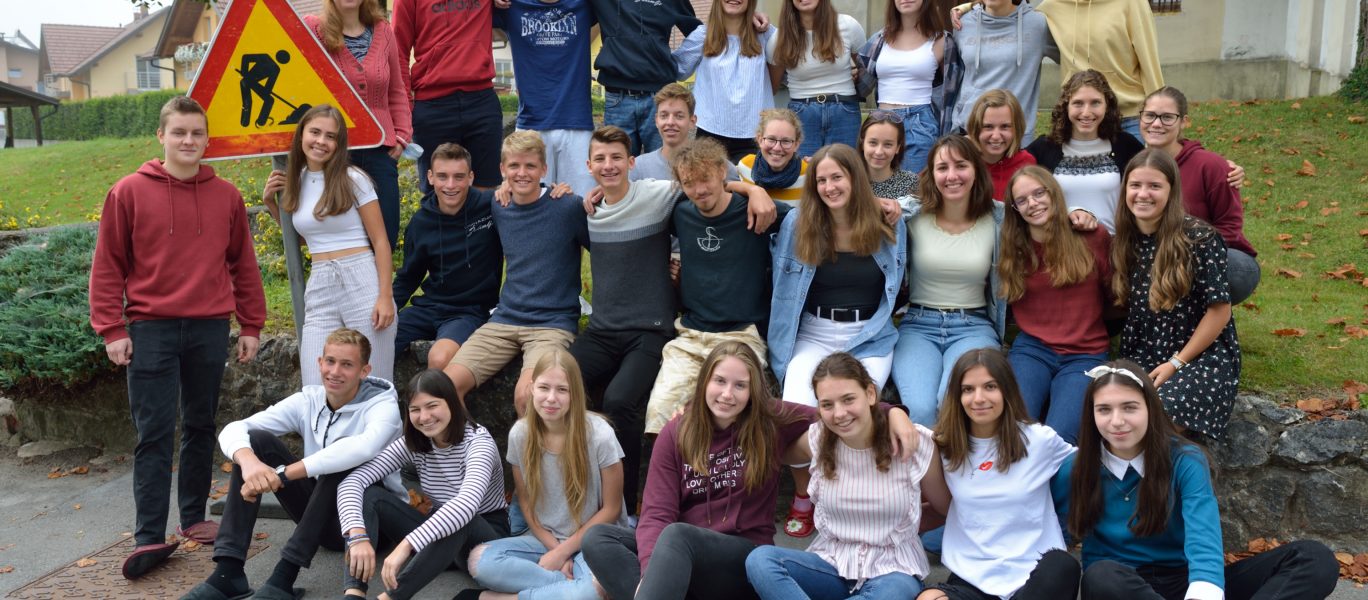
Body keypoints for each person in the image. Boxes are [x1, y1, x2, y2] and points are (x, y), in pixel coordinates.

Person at [584, 342, 920, 600]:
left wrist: (892, 412)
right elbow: (657, 513)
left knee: (676, 536)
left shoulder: (770, 420)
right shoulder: (677, 432)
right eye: (719, 381)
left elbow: (836, 413)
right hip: (682, 553)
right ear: (704, 382)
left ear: (752, 390)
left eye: (740, 385)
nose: (727, 394)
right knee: (599, 538)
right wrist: (650, 571)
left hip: (740, 557)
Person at [89, 95, 266, 579]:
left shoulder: (226, 196)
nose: (188, 141)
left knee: (201, 424)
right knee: (153, 432)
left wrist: (251, 323)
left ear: (208, 140)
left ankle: (193, 517)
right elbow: (108, 266)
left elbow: (243, 264)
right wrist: (112, 328)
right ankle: (149, 535)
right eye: (179, 132)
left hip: (209, 326)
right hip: (151, 328)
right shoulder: (128, 192)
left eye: (197, 133)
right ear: (161, 137)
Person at [1056, 360, 1339, 600]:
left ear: (1150, 409)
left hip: (1183, 580)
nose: (1116, 421)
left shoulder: (1184, 459)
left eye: (1129, 407)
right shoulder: (1075, 467)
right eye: (1104, 409)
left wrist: (1204, 588)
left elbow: (1203, 529)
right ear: (1091, 414)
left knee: (1314, 559)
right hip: (1120, 587)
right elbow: (1043, 525)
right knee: (1102, 576)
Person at [182, 328, 403, 600]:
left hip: (372, 525)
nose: (335, 371)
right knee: (255, 441)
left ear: (364, 370)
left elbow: (362, 448)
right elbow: (235, 428)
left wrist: (283, 475)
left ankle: (283, 577)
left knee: (343, 460)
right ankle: (228, 573)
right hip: (323, 521)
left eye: (347, 364)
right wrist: (249, 462)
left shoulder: (383, 406)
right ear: (319, 363)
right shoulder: (308, 400)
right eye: (330, 361)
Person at [768, 143, 906, 537]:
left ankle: (850, 496)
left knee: (853, 410)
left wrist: (895, 206)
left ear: (855, 178)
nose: (830, 187)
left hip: (869, 334)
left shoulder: (887, 221)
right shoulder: (800, 222)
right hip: (813, 331)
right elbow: (782, 285)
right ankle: (805, 494)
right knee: (796, 412)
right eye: (822, 180)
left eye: (837, 177)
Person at [746, 353, 946, 599]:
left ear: (870, 394)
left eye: (848, 399)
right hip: (832, 564)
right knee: (761, 560)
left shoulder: (913, 440)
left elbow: (944, 508)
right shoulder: (818, 438)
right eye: (827, 405)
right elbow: (777, 448)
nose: (839, 413)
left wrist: (905, 526)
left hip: (894, 571)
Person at [568, 126, 679, 520]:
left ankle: (626, 507)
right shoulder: (588, 211)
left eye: (616, 157)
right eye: (600, 159)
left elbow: (708, 185)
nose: (609, 165)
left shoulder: (657, 195)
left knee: (618, 401)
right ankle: (570, 491)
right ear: (589, 166)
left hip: (649, 330)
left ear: (631, 162)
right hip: (602, 330)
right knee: (557, 384)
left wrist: (751, 191)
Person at [643, 138, 786, 435]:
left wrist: (754, 190)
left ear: (722, 171)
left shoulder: (756, 210)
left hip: (741, 333)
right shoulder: (681, 212)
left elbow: (816, 215)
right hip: (692, 334)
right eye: (689, 183)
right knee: (659, 414)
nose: (699, 190)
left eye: (705, 179)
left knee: (729, 413)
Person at [443, 131, 589, 415]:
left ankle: (527, 448)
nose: (522, 173)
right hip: (506, 318)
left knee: (527, 396)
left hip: (552, 323)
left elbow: (601, 249)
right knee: (446, 387)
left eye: (530, 166)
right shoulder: (499, 205)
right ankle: (470, 444)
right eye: (514, 166)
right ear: (503, 169)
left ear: (544, 169)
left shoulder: (567, 205)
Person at [916, 348, 1080, 600]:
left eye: (990, 387)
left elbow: (1091, 466)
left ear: (1006, 390)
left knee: (1063, 566)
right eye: (968, 389)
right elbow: (888, 426)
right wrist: (895, 413)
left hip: (1032, 575)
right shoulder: (944, 446)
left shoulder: (1038, 440)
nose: (978, 398)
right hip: (972, 576)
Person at [463, 352, 629, 600]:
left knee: (590, 592)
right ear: (531, 388)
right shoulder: (520, 434)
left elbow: (612, 509)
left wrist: (564, 552)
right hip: (545, 539)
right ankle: (566, 589)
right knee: (479, 562)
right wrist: (556, 551)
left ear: (575, 393)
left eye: (562, 390)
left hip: (595, 541)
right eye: (544, 387)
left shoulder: (600, 435)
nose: (551, 398)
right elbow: (526, 502)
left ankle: (502, 598)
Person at [335, 369, 509, 600]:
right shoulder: (417, 442)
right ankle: (354, 594)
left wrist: (406, 545)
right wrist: (356, 535)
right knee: (372, 495)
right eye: (415, 409)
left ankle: (391, 598)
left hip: (485, 539)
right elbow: (353, 481)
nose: (424, 417)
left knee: (460, 518)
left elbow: (466, 505)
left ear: (452, 402)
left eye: (432, 406)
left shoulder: (478, 444)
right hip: (440, 536)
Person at [261, 104, 397, 385]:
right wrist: (271, 205)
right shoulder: (296, 181)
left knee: (375, 382)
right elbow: (304, 239)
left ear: (339, 143)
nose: (321, 141)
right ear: (302, 135)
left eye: (330, 136)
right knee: (314, 383)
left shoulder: (354, 179)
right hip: (321, 281)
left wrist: (385, 296)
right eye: (315, 132)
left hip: (362, 278)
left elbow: (381, 241)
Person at [1111, 149, 1240, 440]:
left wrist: (1176, 363)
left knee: (1155, 422)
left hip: (1200, 357)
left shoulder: (1200, 238)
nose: (1143, 194)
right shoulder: (1124, 240)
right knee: (1112, 417)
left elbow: (1220, 310)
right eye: (1135, 185)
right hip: (1143, 353)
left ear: (1171, 191)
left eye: (1154, 186)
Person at [890, 135, 1006, 427]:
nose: (952, 176)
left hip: (973, 326)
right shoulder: (911, 215)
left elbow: (1043, 212)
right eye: (942, 168)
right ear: (932, 174)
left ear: (976, 170)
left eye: (961, 166)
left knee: (953, 402)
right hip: (919, 325)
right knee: (920, 410)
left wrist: (1079, 213)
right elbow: (866, 211)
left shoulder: (998, 218)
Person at [999, 166, 1110, 444]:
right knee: (1013, 428)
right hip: (1033, 350)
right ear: (1014, 208)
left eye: (1039, 193)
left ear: (1054, 194)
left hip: (1085, 353)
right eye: (1022, 200)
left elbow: (1114, 293)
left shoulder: (1092, 236)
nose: (1033, 203)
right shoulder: (1012, 247)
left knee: (1060, 438)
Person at [304, 0, 412, 249]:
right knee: (341, 239)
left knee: (385, 237)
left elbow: (397, 90)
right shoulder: (314, 30)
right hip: (334, 154)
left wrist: (402, 136)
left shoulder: (383, 31)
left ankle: (383, 278)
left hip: (380, 153)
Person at [1139, 86, 1260, 304]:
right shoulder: (1137, 165)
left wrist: (1184, 253)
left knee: (1230, 270)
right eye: (1150, 115)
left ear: (1184, 122)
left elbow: (1230, 226)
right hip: (1154, 253)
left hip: (1214, 255)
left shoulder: (1210, 166)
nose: (1156, 124)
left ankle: (1212, 316)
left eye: (1167, 117)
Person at [391, 143, 502, 371]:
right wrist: (387, 309)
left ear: (471, 178)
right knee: (373, 345)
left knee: (440, 358)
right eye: (442, 176)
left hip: (469, 312)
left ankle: (431, 396)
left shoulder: (491, 206)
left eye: (458, 177)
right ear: (430, 177)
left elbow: (529, 195)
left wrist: (554, 189)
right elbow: (408, 277)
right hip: (428, 308)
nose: (450, 185)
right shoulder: (421, 222)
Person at [393, 0, 503, 191]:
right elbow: (397, 53)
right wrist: (405, 107)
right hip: (432, 104)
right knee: (438, 192)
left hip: (481, 101)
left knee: (485, 191)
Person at [494, 0, 597, 197]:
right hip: (531, 124)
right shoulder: (512, 6)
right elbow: (474, 10)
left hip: (577, 122)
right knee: (528, 203)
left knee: (582, 202)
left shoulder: (583, 4)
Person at [1025, 70, 1144, 234]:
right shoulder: (1044, 148)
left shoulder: (1126, 145)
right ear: (1066, 106)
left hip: (1114, 244)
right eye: (1078, 103)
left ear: (1107, 106)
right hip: (1061, 244)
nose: (1086, 112)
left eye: (1095, 103)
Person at [855, 0, 961, 173]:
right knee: (877, 185)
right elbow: (860, 85)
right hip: (880, 120)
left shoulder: (942, 40)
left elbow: (952, 93)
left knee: (912, 186)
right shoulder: (879, 39)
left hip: (919, 122)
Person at [588, 0, 702, 155]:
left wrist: (678, 65)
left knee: (662, 165)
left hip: (659, 99)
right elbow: (574, 17)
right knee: (619, 165)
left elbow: (698, 33)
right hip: (617, 99)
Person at [673, 0, 775, 163]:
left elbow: (791, 65)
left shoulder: (766, 34)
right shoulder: (703, 35)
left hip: (756, 135)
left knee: (750, 180)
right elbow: (678, 69)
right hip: (710, 134)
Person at [768, 0, 866, 157]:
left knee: (845, 167)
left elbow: (866, 70)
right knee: (804, 170)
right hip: (802, 114)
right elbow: (771, 86)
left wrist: (856, 74)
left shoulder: (848, 25)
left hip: (844, 112)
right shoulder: (779, 38)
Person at [950, 0, 1050, 146]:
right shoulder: (963, 23)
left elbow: (1072, 52)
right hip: (969, 131)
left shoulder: (1038, 25)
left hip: (1014, 135)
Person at [631, 83, 741, 182]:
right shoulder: (639, 167)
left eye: (679, 116)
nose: (670, 122)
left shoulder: (716, 164)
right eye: (664, 116)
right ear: (656, 121)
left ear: (692, 121)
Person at [966, 89, 1037, 201]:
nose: (996, 136)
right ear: (975, 128)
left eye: (1005, 126)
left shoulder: (1025, 163)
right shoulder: (961, 160)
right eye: (988, 127)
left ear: (1017, 128)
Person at [737, 108, 809, 207]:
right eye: (771, 139)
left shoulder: (808, 175)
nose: (777, 148)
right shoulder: (745, 166)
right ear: (760, 140)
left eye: (786, 141)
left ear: (796, 145)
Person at [860, 110, 920, 201]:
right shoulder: (850, 181)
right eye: (873, 143)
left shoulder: (912, 183)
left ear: (898, 147)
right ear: (862, 143)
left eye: (888, 144)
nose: (879, 152)